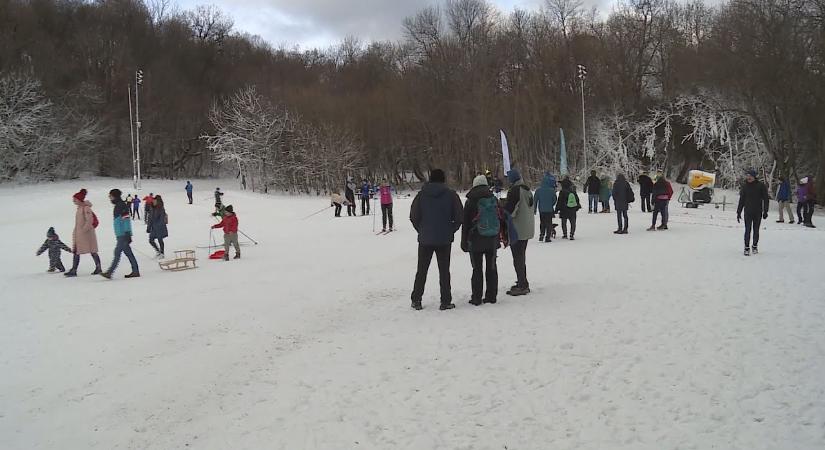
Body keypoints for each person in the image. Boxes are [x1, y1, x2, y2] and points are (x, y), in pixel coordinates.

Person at [409, 169, 463, 311]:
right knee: (444, 271)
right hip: (444, 239)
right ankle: (445, 301)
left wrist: (421, 229)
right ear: (443, 179)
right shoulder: (451, 195)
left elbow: (414, 216)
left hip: (425, 238)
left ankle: (416, 299)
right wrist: (450, 230)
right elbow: (459, 217)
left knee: (422, 270)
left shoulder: (421, 195)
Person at [461, 175, 503, 305]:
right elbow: (500, 219)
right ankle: (491, 296)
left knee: (477, 269)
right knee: (492, 267)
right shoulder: (494, 199)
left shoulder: (470, 201)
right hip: (492, 240)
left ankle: (477, 297)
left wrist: (464, 242)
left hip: (475, 240)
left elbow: (466, 223)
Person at [503, 169, 535, 296]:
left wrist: (502, 208)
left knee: (518, 257)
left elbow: (510, 210)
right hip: (527, 227)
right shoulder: (526, 189)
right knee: (521, 256)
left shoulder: (515, 190)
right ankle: (522, 281)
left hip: (517, 229)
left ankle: (522, 285)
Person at [101, 189, 140, 279]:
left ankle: (110, 272)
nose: (109, 198)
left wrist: (127, 233)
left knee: (117, 252)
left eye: (110, 196)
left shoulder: (121, 205)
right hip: (120, 234)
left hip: (123, 234)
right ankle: (135, 271)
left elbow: (126, 219)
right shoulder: (118, 205)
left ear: (115, 196)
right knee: (129, 253)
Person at [65, 189, 102, 277]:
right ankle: (74, 269)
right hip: (80, 234)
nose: (73, 201)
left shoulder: (86, 208)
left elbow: (89, 220)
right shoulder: (79, 209)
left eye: (75, 199)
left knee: (91, 250)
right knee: (77, 251)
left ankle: (97, 267)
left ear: (79, 199)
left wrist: (83, 230)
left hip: (86, 234)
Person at [737, 169, 770, 256]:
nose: (749, 178)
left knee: (756, 230)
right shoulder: (745, 186)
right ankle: (746, 247)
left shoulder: (761, 186)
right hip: (748, 211)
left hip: (757, 212)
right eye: (747, 176)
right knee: (747, 230)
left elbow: (766, 199)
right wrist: (738, 212)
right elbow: (742, 200)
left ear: (754, 177)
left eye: (750, 176)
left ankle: (754, 246)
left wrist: (765, 211)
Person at [534, 172, 557, 242]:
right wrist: (551, 204)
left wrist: (534, 209)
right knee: (549, 223)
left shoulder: (538, 190)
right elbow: (555, 200)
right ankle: (548, 237)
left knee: (542, 222)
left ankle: (541, 235)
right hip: (549, 210)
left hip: (541, 209)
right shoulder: (552, 190)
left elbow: (535, 200)